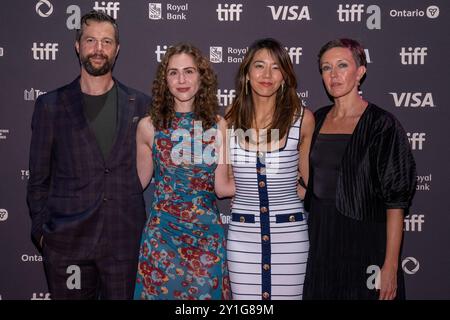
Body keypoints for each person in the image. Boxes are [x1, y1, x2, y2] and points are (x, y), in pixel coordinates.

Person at [26, 10, 151, 299]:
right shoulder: (50, 106)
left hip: (123, 243)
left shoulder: (142, 105)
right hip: (67, 245)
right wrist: (44, 235)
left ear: (117, 49)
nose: (98, 49)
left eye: (106, 42)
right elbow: (38, 179)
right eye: (91, 40)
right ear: (77, 45)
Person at [303, 38, 417, 300]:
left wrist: (390, 265)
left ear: (360, 72)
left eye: (342, 65)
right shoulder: (316, 119)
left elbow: (396, 203)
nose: (333, 75)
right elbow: (307, 182)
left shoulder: (382, 125)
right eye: (326, 68)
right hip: (322, 240)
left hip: (365, 241)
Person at [133, 43, 234, 300]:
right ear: (164, 80)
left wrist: (269, 177)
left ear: (202, 77)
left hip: (206, 239)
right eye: (173, 72)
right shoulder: (149, 126)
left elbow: (222, 186)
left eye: (189, 71)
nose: (181, 80)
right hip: (161, 239)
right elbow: (136, 184)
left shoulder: (218, 125)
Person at [225, 38, 315, 300]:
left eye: (275, 67)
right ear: (246, 74)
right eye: (259, 66)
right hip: (242, 238)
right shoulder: (229, 119)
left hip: (291, 235)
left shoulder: (302, 119)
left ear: (285, 75)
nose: (266, 75)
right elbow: (227, 180)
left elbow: (309, 182)